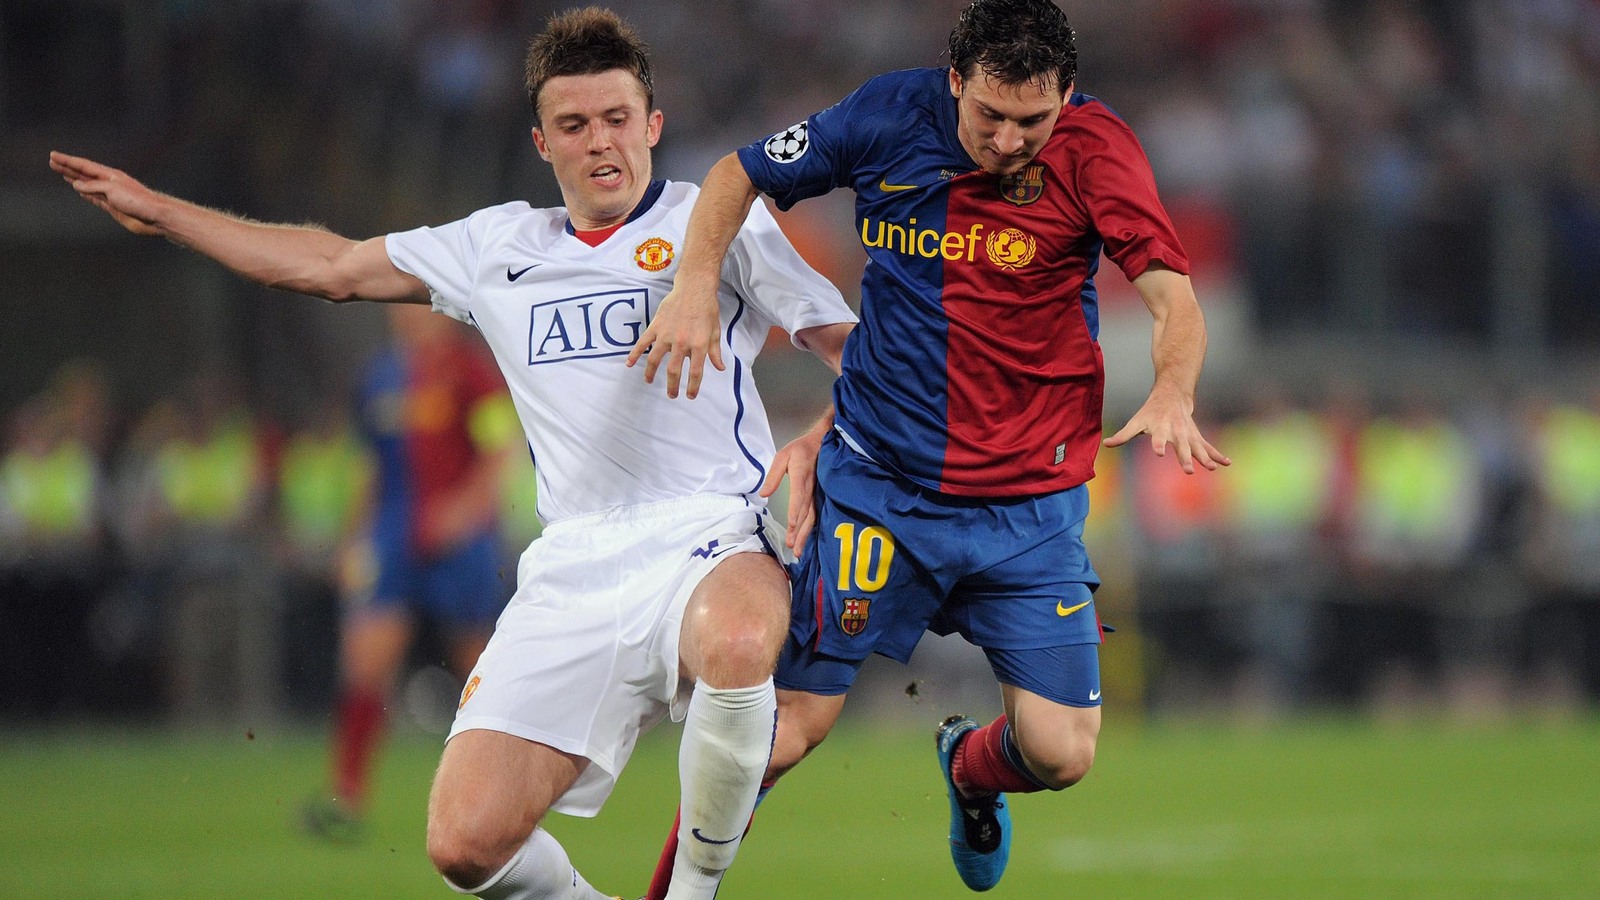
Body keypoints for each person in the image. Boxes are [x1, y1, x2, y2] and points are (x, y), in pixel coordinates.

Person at [50, 7, 856, 899]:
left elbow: (854, 351)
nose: (600, 142)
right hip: (572, 563)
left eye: (617, 118)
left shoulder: (715, 221)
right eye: (574, 125)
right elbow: (329, 266)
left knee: (740, 641)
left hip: (707, 535)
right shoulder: (497, 245)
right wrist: (166, 213)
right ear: (542, 143)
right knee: (466, 845)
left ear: (653, 125)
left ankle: (692, 894)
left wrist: (822, 431)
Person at [629, 0, 1228, 892]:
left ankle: (970, 771)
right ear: (954, 80)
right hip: (883, 489)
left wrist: (1174, 388)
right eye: (990, 114)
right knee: (783, 732)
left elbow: (1174, 298)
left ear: (1067, 93)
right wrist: (695, 283)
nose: (1010, 140)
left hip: (1027, 508)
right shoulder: (886, 115)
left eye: (1034, 119)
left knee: (1061, 752)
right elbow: (734, 173)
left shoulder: (1098, 149)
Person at [300, 305, 518, 843]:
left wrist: (464, 512)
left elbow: (499, 452)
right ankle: (346, 796)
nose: (407, 315)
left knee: (481, 671)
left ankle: (506, 789)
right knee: (365, 663)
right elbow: (368, 466)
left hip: (461, 543)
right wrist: (354, 539)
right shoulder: (379, 378)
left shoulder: (470, 372)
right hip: (393, 540)